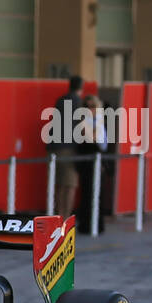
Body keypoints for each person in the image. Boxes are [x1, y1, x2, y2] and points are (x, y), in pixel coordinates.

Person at [75, 94, 108, 233]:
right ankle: (86, 224)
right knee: (87, 193)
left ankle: (96, 225)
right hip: (86, 161)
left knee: (97, 193)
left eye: (92, 106)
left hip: (97, 159)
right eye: (87, 107)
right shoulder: (85, 121)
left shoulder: (98, 121)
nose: (90, 109)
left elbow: (100, 141)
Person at [53, 76, 83, 218]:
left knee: (58, 184)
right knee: (70, 184)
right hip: (69, 148)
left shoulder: (60, 100)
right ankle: (65, 218)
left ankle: (57, 215)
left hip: (54, 147)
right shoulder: (77, 102)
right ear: (80, 88)